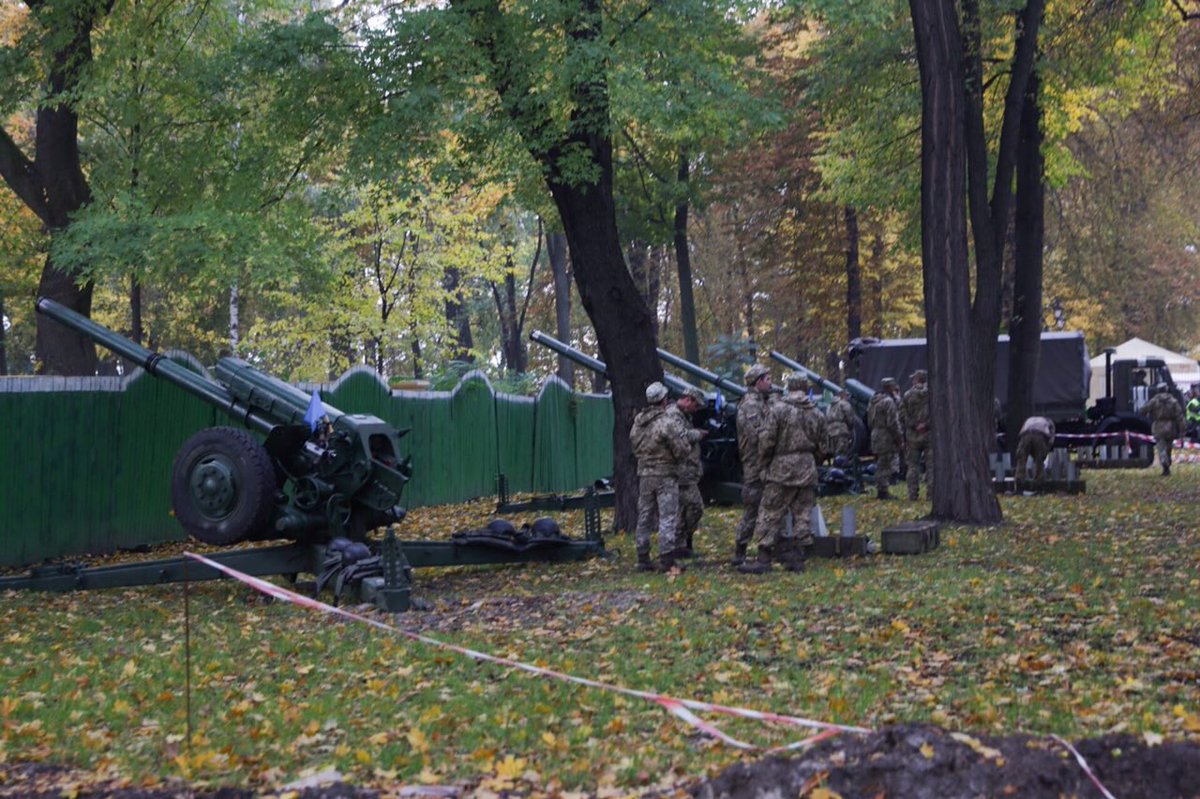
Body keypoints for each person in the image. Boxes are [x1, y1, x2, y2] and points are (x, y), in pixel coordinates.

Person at [739, 373, 827, 575]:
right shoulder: (816, 413)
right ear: (805, 387)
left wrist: (765, 462)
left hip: (781, 468)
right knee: (802, 513)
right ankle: (798, 557)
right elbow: (824, 446)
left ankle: (764, 559)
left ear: (789, 386)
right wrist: (812, 459)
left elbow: (767, 440)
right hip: (806, 467)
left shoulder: (778, 410)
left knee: (770, 511)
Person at [630, 381, 691, 572]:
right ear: (664, 400)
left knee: (645, 516)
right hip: (665, 475)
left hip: (645, 475)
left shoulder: (638, 422)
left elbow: (634, 446)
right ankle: (667, 559)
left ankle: (642, 557)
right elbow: (681, 450)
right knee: (667, 517)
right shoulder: (667, 422)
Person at [732, 364, 774, 565]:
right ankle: (740, 549)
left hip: (764, 463)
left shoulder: (762, 402)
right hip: (755, 465)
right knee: (752, 508)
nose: (770, 382)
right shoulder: (750, 405)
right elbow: (757, 435)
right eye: (767, 379)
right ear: (758, 382)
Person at [673, 387, 709, 557]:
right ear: (688, 400)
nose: (696, 410)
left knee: (683, 509)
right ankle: (680, 542)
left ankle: (681, 545)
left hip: (687, 471)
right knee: (696, 507)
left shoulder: (683, 416)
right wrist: (698, 434)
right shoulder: (674, 415)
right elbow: (680, 437)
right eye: (696, 406)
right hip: (682, 472)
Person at [867, 377, 903, 499]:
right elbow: (892, 422)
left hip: (875, 434)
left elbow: (869, 421)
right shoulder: (888, 402)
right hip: (886, 436)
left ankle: (881, 490)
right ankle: (883, 490)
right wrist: (899, 438)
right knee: (886, 464)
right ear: (890, 387)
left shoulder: (873, 401)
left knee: (880, 463)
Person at [902, 369, 932, 501]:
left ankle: (912, 494)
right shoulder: (933, 394)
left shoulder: (907, 395)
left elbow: (902, 414)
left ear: (917, 380)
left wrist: (914, 425)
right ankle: (931, 495)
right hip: (929, 434)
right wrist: (926, 425)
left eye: (913, 378)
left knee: (913, 466)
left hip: (912, 436)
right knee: (932, 466)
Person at [1143, 383, 1185, 476]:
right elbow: (1179, 416)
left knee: (1161, 447)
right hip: (1170, 426)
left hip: (1158, 426)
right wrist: (1182, 430)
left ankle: (1164, 465)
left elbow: (1143, 410)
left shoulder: (1154, 401)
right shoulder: (1173, 401)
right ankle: (1167, 466)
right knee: (1168, 448)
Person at [1015, 415, 1056, 482]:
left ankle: (1019, 478)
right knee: (1039, 459)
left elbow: (1021, 432)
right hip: (1040, 435)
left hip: (1025, 435)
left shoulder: (1029, 419)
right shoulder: (1049, 422)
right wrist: (1046, 450)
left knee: (1021, 457)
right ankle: (1039, 480)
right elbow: (1051, 439)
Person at [824, 387, 857, 459]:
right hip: (841, 431)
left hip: (831, 432)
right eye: (847, 395)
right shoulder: (844, 404)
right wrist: (850, 428)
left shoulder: (831, 405)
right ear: (843, 396)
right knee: (841, 453)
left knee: (834, 453)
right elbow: (850, 418)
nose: (848, 397)